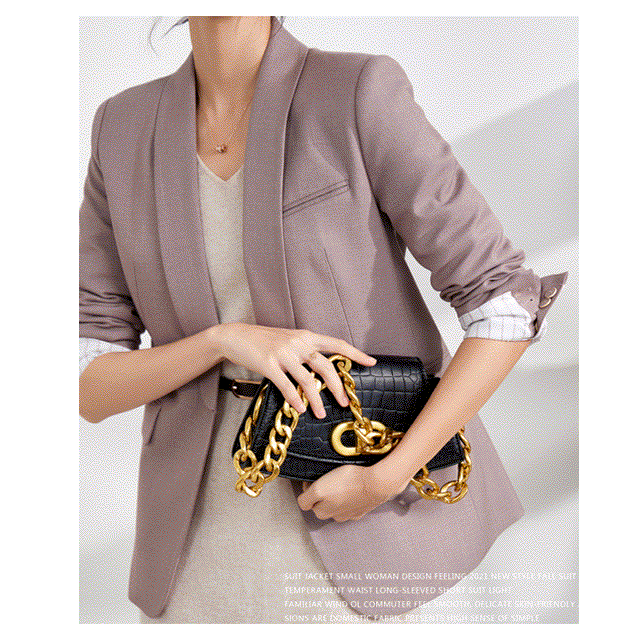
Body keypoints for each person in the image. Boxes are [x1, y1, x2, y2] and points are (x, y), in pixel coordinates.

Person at [79, 16, 569, 623]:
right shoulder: (122, 127)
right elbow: (88, 383)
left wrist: (388, 477)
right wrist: (221, 341)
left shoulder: (356, 92)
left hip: (354, 523)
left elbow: (503, 303)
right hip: (189, 550)